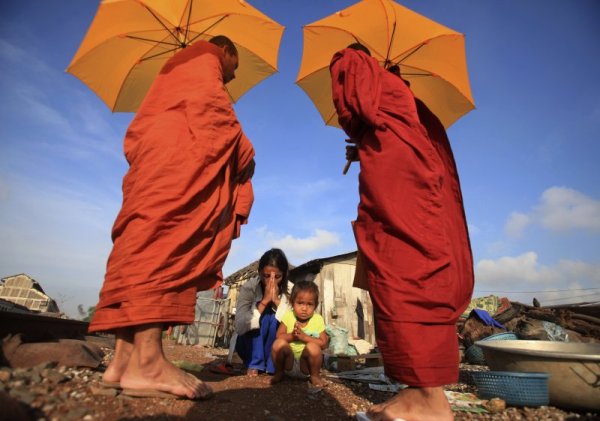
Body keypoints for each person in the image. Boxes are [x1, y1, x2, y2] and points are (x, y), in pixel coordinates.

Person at [88, 35, 256, 400]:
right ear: (225, 50)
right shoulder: (202, 63)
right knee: (166, 240)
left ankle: (124, 360)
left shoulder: (174, 72)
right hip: (176, 162)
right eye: (234, 67)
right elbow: (214, 116)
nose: (232, 78)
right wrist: (246, 153)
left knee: (140, 242)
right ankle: (147, 362)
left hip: (155, 161)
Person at [330, 44, 474, 420]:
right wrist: (364, 147)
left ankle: (429, 400)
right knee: (404, 273)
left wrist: (365, 137)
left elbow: (355, 98)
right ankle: (420, 393)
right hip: (412, 191)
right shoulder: (397, 101)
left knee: (405, 270)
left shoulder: (360, 70)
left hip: (405, 201)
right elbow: (399, 142)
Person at [233, 248, 291, 376]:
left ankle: (272, 365)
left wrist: (276, 301)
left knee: (274, 317)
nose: (271, 281)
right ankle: (255, 363)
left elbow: (292, 325)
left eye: (277, 277)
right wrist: (264, 302)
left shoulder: (291, 290)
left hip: (277, 347)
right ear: (259, 273)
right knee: (263, 315)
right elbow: (240, 326)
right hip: (247, 345)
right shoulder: (249, 288)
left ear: (284, 274)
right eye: (266, 276)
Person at [270, 280, 328, 387]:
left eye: (309, 304)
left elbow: (323, 343)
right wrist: (292, 336)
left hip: (306, 365)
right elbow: (279, 336)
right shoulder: (288, 316)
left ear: (315, 306)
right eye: (300, 303)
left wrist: (304, 337)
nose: (304, 308)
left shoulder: (317, 319)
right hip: (289, 362)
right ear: (292, 302)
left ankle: (314, 376)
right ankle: (279, 372)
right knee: (278, 344)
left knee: (313, 347)